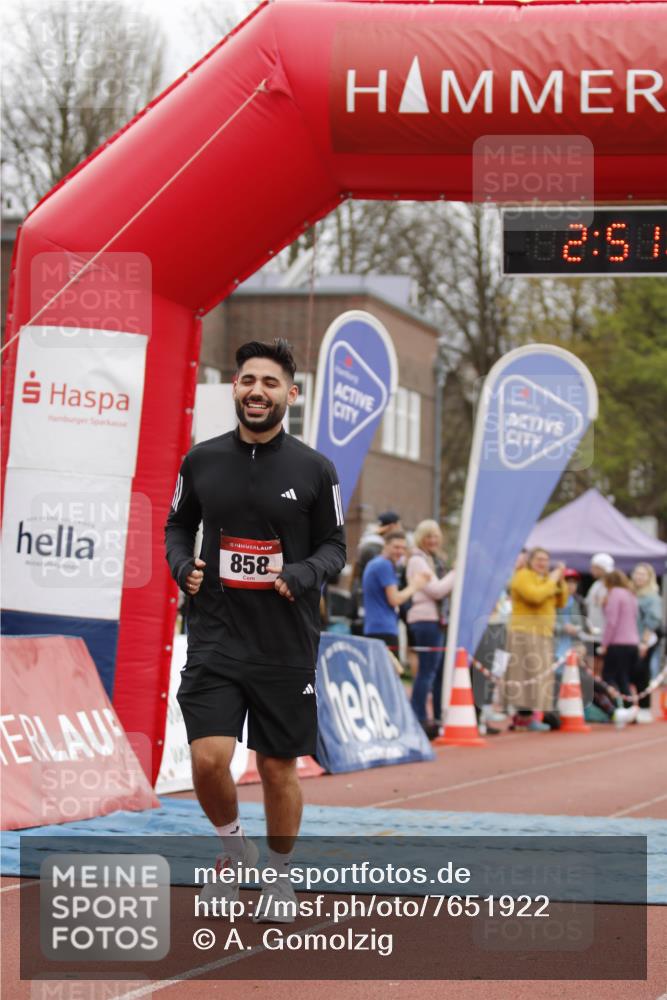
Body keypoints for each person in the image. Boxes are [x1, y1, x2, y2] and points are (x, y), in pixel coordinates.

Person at [165, 339, 346, 921]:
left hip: (284, 638)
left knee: (275, 767)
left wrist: (303, 572)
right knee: (210, 758)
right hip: (216, 631)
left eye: (270, 383)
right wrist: (181, 566)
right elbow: (177, 525)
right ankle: (234, 848)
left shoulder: (315, 468)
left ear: (290, 394)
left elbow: (335, 546)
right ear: (235, 389)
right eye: (248, 381)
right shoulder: (202, 460)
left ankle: (278, 877)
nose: (257, 391)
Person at [504, 547, 567, 731]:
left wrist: (560, 581)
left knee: (540, 677)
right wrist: (553, 580)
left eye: (546, 560)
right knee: (524, 674)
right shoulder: (522, 576)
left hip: (544, 633)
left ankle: (531, 716)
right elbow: (535, 596)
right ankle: (523, 717)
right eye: (539, 559)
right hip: (524, 632)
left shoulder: (547, 579)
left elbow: (561, 602)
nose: (543, 563)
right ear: (531, 561)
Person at [405, 520, 455, 728]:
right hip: (426, 619)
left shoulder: (432, 560)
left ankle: (434, 715)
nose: (432, 540)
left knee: (436, 671)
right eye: (428, 536)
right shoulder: (418, 561)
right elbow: (436, 590)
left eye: (435, 536)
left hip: (436, 620)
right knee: (427, 671)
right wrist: (456, 572)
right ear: (420, 538)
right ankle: (419, 717)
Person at [361, 531, 429, 651]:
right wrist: (415, 585)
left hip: (375, 627)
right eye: (396, 547)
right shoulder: (384, 565)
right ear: (385, 546)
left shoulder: (374, 563)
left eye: (403, 548)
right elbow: (394, 599)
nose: (400, 551)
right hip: (384, 629)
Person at [599, 570, 640, 716]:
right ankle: (630, 708)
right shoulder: (630, 594)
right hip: (632, 642)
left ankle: (616, 708)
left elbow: (612, 621)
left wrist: (604, 643)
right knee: (623, 677)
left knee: (608, 676)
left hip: (618, 642)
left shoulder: (614, 594)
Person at [631, 562, 663, 723]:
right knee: (632, 672)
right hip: (630, 638)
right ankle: (632, 706)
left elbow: (653, 619)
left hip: (646, 639)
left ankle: (645, 708)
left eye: (642, 574)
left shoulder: (652, 597)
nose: (639, 577)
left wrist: (644, 641)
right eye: (637, 573)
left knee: (642, 672)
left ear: (649, 577)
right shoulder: (631, 593)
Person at [585, 553, 614, 673]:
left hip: (604, 634)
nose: (592, 570)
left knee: (601, 668)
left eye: (595, 567)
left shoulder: (611, 586)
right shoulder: (596, 585)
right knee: (591, 666)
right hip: (593, 632)